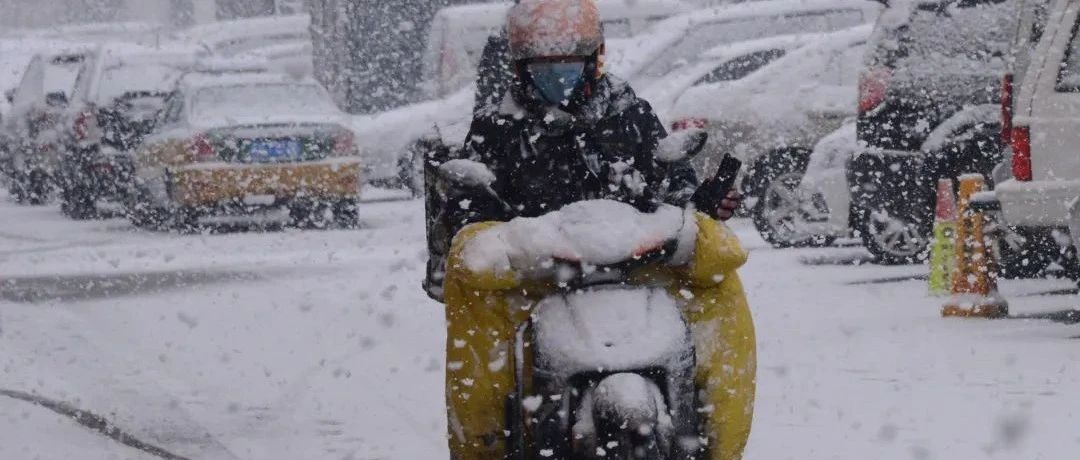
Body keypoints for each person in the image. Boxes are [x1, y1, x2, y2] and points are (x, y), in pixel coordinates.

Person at [439, 1, 755, 459]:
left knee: (721, 282)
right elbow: (471, 214)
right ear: (519, 66)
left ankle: (720, 445)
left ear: (594, 59)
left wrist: (700, 204)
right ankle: (484, 444)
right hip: (540, 278)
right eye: (543, 66)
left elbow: (674, 184)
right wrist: (493, 232)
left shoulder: (628, 111)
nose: (558, 75)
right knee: (470, 289)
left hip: (635, 267)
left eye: (569, 63)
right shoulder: (497, 126)